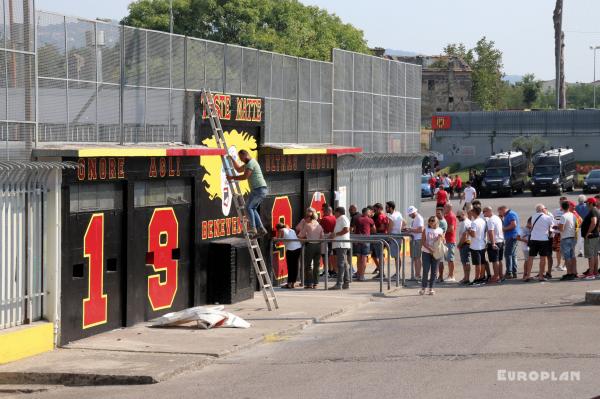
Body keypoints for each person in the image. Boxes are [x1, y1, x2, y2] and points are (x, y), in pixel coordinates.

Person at [227, 150, 268, 237]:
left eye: (241, 158)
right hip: (258, 190)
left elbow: (245, 176)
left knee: (248, 207)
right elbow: (238, 169)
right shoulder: (248, 164)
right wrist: (232, 160)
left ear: (245, 155)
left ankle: (253, 229)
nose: (241, 160)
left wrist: (232, 177)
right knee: (252, 208)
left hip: (259, 189)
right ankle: (261, 229)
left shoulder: (251, 163)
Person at [524, 204, 554, 282]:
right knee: (543, 258)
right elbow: (552, 226)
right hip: (543, 239)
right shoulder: (547, 217)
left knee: (531, 257)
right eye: (545, 209)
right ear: (543, 209)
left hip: (533, 239)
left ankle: (528, 275)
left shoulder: (533, 216)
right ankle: (541, 276)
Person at [296, 208, 324, 289]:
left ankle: (309, 283)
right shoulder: (319, 225)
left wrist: (305, 238)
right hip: (318, 245)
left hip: (310, 245)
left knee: (308, 265)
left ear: (309, 218)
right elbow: (322, 237)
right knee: (317, 265)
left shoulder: (308, 225)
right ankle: (316, 282)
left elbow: (300, 235)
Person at [420, 216, 445, 295]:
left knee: (434, 271)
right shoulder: (426, 230)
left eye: (433, 220)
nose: (431, 222)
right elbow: (423, 242)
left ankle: (431, 288)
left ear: (437, 221)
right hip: (426, 252)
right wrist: (430, 249)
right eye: (430, 220)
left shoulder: (440, 230)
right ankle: (423, 288)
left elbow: (443, 242)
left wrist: (441, 238)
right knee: (425, 270)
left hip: (436, 253)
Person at [329, 207, 351, 290]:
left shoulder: (342, 218)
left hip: (341, 244)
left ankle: (339, 283)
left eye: (335, 212)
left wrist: (335, 234)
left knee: (341, 264)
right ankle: (346, 282)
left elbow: (346, 229)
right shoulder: (340, 219)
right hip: (340, 244)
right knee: (344, 264)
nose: (334, 214)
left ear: (338, 212)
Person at [276, 223, 302, 289]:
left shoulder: (281, 230)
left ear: (278, 229)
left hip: (291, 249)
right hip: (298, 247)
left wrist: (274, 238)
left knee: (290, 266)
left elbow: (278, 241)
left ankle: (289, 283)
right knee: (295, 266)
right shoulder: (291, 230)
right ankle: (293, 283)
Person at [483, 206, 504, 283]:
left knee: (495, 260)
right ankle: (500, 275)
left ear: (489, 211)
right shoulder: (497, 218)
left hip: (494, 242)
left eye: (484, 211)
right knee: (500, 259)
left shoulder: (490, 220)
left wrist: (493, 243)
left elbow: (490, 232)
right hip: (501, 241)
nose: (483, 213)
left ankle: (496, 276)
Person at [580, 197, 600, 279]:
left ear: (591, 203)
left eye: (587, 203)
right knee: (595, 254)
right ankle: (595, 272)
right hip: (595, 235)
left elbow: (594, 222)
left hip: (591, 237)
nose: (586, 204)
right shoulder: (597, 210)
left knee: (591, 255)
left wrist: (588, 233)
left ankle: (591, 273)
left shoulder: (592, 211)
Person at [557, 201, 577, 281]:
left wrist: (557, 227)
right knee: (572, 256)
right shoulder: (572, 215)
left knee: (567, 257)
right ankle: (573, 272)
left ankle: (569, 273)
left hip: (565, 238)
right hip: (572, 237)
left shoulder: (563, 216)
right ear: (569, 207)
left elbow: (561, 229)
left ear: (562, 207)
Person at [354, 208, 375, 281]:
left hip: (358, 240)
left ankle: (358, 274)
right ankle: (362, 276)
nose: (370, 213)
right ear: (366, 213)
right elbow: (374, 230)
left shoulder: (357, 219)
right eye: (369, 212)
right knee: (364, 258)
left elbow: (354, 229)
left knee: (359, 258)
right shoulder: (370, 220)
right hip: (366, 240)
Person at [499, 205, 520, 279]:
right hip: (512, 236)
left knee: (508, 254)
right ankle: (514, 272)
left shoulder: (510, 214)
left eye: (500, 212)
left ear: (503, 209)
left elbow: (513, 225)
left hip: (511, 237)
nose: (501, 214)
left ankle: (509, 272)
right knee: (513, 255)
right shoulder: (510, 214)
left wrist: (503, 229)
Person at [468, 206, 487, 285]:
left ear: (474, 212)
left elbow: (473, 234)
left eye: (472, 211)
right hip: (482, 244)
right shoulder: (482, 221)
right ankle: (482, 277)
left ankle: (477, 279)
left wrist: (468, 230)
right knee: (482, 262)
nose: (471, 213)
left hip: (475, 245)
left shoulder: (474, 222)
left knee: (477, 264)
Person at [404, 206, 424, 281]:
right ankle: (417, 274)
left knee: (417, 258)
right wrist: (409, 230)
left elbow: (421, 229)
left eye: (410, 214)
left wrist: (410, 229)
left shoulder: (419, 218)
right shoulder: (416, 218)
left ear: (413, 212)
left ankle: (418, 275)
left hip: (417, 240)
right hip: (415, 239)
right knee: (415, 258)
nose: (409, 216)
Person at [371, 203, 389, 278]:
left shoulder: (381, 217)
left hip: (380, 237)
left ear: (379, 209)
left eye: (375, 209)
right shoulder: (377, 216)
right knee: (377, 255)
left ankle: (382, 273)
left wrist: (373, 230)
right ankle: (381, 272)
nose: (374, 211)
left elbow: (382, 228)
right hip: (377, 237)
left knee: (380, 256)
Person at [319, 205, 337, 277]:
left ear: (328, 211)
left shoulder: (324, 219)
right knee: (331, 255)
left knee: (324, 255)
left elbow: (320, 229)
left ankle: (326, 271)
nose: (323, 212)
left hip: (326, 237)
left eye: (324, 211)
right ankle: (332, 270)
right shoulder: (335, 218)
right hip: (334, 238)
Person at [552, 196, 568, 273]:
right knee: (558, 250)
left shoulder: (568, 211)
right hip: (557, 233)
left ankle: (565, 265)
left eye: (564, 202)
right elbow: (553, 220)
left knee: (565, 250)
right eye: (561, 202)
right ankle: (559, 264)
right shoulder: (556, 211)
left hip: (565, 233)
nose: (562, 203)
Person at [443, 203, 458, 282]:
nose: (443, 208)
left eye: (445, 207)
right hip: (446, 240)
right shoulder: (446, 216)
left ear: (449, 208)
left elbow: (451, 229)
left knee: (450, 259)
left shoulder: (451, 216)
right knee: (448, 259)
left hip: (450, 240)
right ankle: (449, 275)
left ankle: (452, 276)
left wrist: (442, 231)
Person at [456, 210, 472, 284]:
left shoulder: (465, 223)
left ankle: (466, 278)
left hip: (465, 243)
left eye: (459, 216)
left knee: (465, 261)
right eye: (457, 217)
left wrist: (459, 244)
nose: (458, 218)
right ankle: (465, 277)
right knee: (464, 261)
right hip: (466, 243)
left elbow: (464, 236)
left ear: (463, 214)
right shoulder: (466, 222)